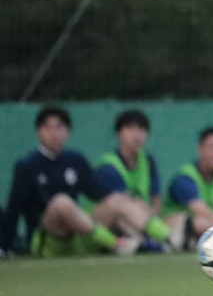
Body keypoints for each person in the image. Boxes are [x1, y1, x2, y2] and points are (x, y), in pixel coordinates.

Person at [1, 106, 171, 257]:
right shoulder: (27, 165)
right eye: (48, 127)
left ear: (67, 131)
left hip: (78, 233)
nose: (54, 133)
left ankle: (167, 239)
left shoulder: (76, 159)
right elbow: (14, 207)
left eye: (59, 127)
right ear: (39, 132)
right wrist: (5, 246)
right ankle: (118, 244)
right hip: (47, 238)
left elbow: (97, 192)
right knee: (62, 202)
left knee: (117, 199)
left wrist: (126, 203)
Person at [94, 110, 162, 218]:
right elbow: (123, 205)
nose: (137, 135)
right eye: (130, 129)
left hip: (141, 217)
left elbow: (156, 199)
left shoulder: (148, 160)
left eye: (141, 129)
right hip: (107, 221)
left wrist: (152, 216)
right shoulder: (108, 166)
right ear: (118, 134)